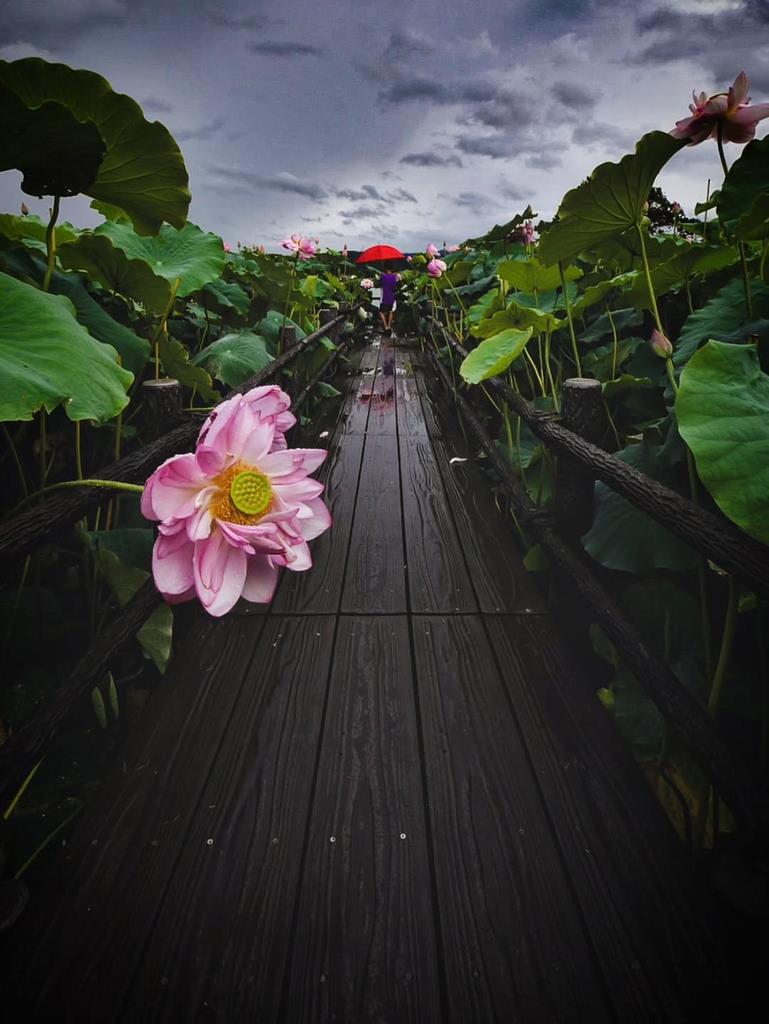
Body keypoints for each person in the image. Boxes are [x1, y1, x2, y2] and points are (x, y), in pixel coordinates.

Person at [378, 270, 399, 335]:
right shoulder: (394, 276)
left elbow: (379, 284)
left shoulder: (383, 276)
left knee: (381, 312)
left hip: (384, 297)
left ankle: (386, 326)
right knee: (390, 311)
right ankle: (389, 326)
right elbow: (395, 286)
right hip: (391, 296)